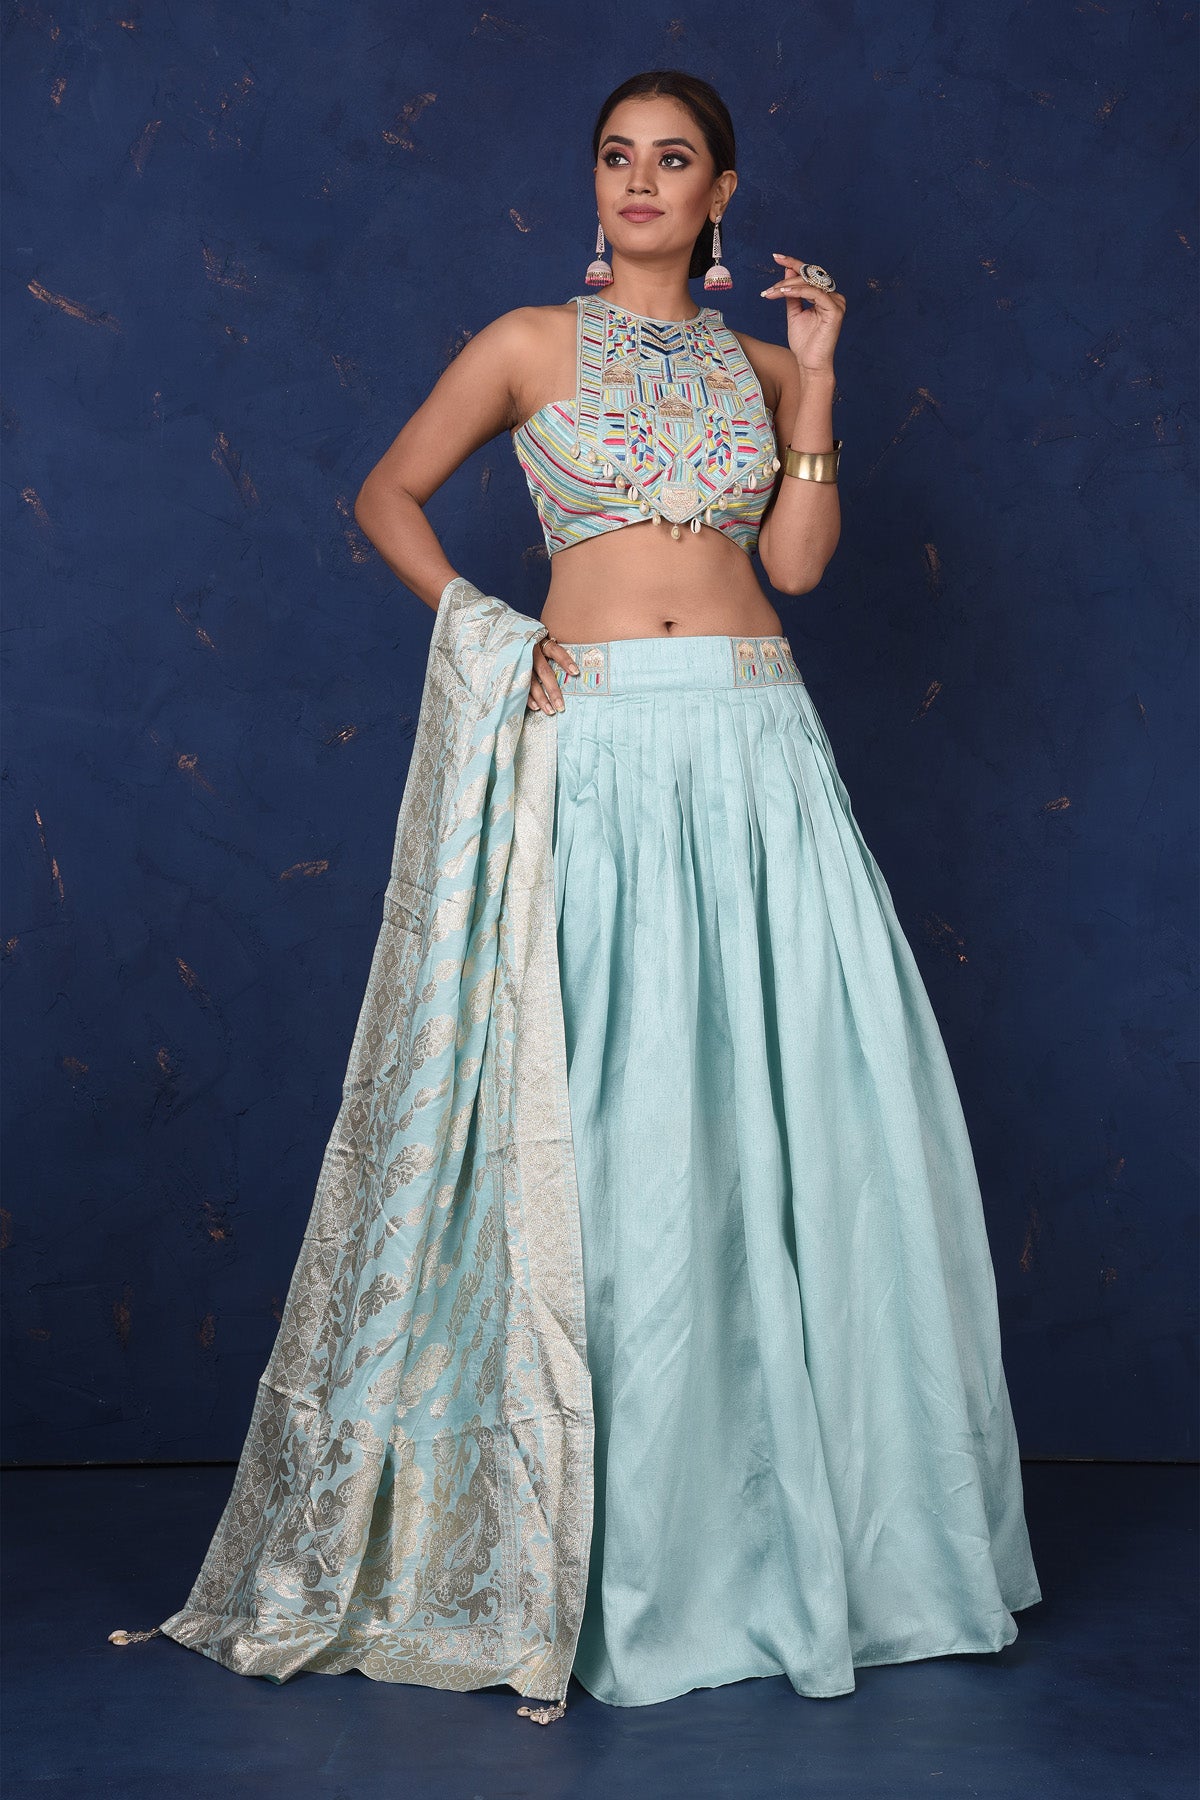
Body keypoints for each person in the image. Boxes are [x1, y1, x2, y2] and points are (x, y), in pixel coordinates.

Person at [110, 69, 1041, 1725]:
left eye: (674, 161)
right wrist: (486, 628)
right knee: (611, 1119)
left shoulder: (766, 366)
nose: (641, 181)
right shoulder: (529, 343)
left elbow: (800, 567)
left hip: (753, 747)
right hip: (594, 754)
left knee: (796, 1119)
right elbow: (385, 495)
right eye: (618, 157)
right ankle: (607, 1552)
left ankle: (804, 1549)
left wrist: (821, 376)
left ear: (723, 193)